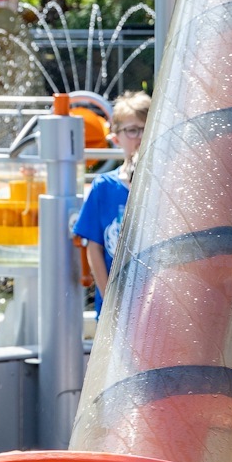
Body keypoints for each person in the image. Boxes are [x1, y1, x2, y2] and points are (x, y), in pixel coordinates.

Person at [72, 91, 150, 316]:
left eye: (147, 128)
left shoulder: (167, 187)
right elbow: (94, 247)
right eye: (132, 130)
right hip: (115, 303)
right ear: (115, 138)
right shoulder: (104, 186)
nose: (141, 137)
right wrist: (109, 302)